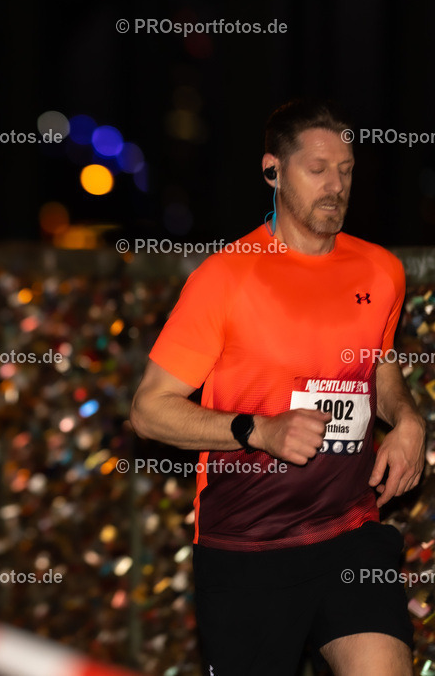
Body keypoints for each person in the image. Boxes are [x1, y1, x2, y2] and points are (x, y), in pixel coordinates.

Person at [130, 99, 425, 676]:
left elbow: (380, 362)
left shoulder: (381, 270)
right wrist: (258, 430)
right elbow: (148, 411)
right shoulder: (225, 277)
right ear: (272, 171)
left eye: (345, 169)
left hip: (349, 533)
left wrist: (408, 420)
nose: (335, 185)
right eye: (317, 169)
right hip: (246, 548)